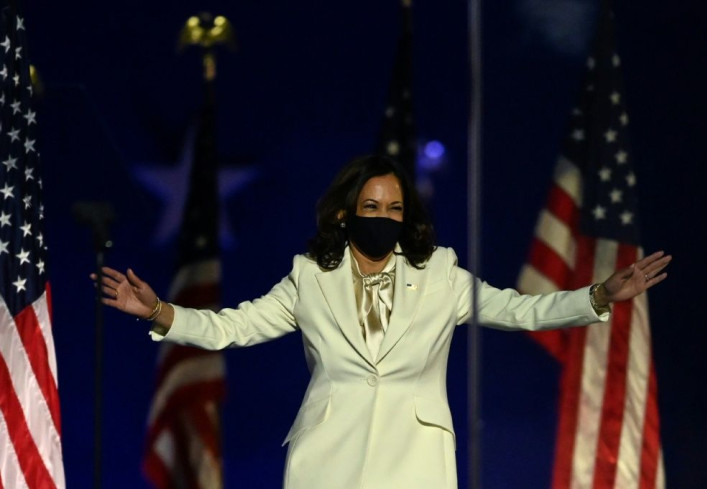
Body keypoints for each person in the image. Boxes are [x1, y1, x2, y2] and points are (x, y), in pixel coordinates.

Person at [94, 154, 671, 489]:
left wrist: (598, 294)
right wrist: (159, 312)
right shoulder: (309, 276)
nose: (384, 218)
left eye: (395, 209)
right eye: (372, 208)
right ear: (347, 214)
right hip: (328, 458)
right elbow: (233, 328)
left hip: (414, 460)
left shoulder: (442, 274)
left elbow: (521, 311)